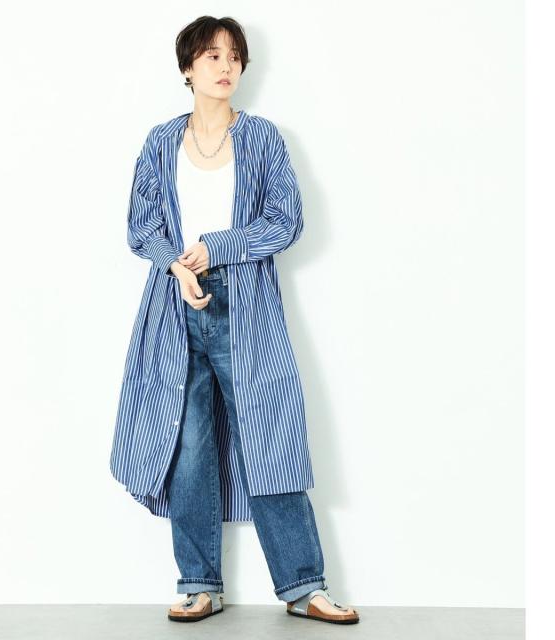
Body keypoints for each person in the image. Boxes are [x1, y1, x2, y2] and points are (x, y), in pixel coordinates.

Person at [111, 15, 360, 625]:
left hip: (247, 306)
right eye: (211, 55)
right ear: (187, 68)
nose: (225, 66)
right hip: (175, 307)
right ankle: (199, 583)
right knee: (189, 446)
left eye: (234, 56)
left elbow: (286, 220)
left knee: (271, 438)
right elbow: (140, 226)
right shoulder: (160, 142)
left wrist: (216, 247)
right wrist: (178, 265)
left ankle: (304, 586)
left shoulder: (263, 138)